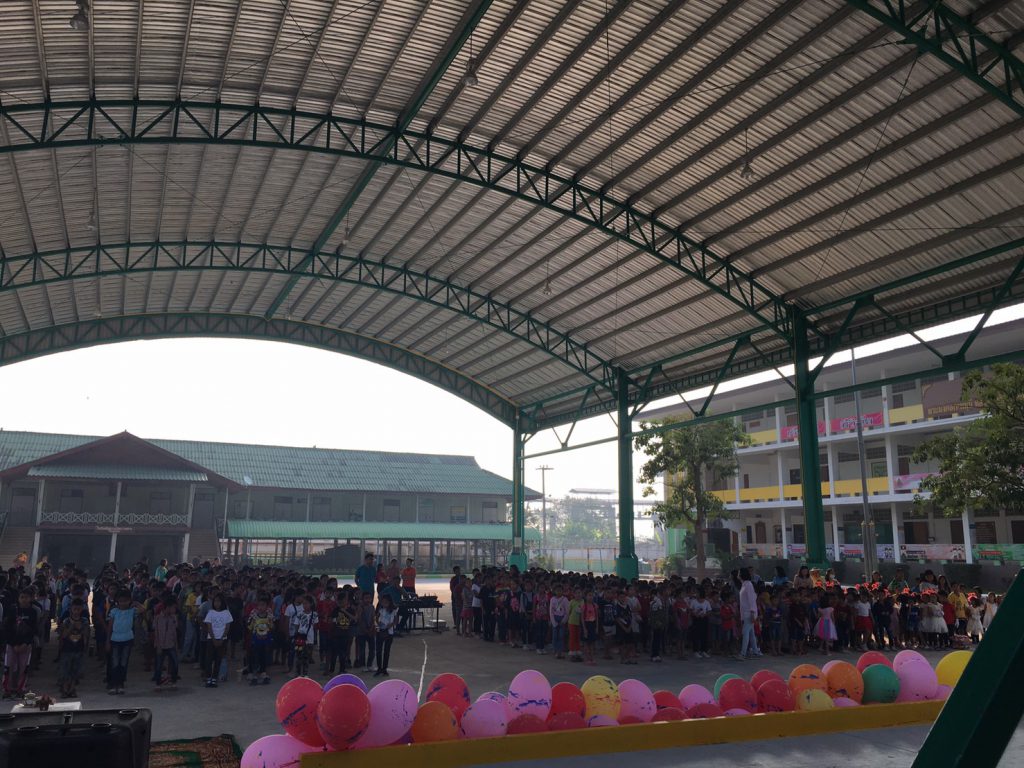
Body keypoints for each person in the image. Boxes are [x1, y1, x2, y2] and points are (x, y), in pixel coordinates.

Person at [3, 589, 36, 698]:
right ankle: (7, 689)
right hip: (12, 644)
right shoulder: (12, 610)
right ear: (18, 598)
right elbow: (7, 628)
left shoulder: (33, 612)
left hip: (26, 645)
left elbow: (33, 630)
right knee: (9, 667)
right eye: (22, 597)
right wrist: (13, 644)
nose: (24, 600)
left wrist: (26, 643)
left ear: (30, 598)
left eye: (26, 597)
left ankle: (20, 688)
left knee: (23, 667)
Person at [106, 590, 140, 695]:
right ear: (117, 601)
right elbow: (110, 627)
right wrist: (107, 641)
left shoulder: (132, 611)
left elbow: (143, 610)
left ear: (129, 600)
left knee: (123, 663)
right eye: (121, 601)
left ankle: (121, 684)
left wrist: (136, 603)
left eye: (125, 601)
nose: (123, 603)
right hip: (115, 639)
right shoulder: (114, 611)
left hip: (127, 640)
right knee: (115, 663)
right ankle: (113, 683)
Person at [57, 598, 89, 698]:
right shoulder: (66, 621)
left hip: (79, 649)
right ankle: (65, 689)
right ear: (71, 609)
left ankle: (72, 689)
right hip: (67, 649)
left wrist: (82, 629)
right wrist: (71, 627)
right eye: (75, 609)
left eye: (78, 609)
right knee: (65, 670)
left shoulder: (84, 621)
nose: (76, 612)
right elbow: (63, 635)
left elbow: (86, 635)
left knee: (76, 671)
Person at [203, 594, 233, 688]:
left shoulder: (226, 613)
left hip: (222, 639)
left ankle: (214, 678)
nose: (217, 603)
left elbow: (227, 627)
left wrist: (222, 638)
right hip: (211, 638)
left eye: (219, 601)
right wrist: (213, 638)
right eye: (215, 601)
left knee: (218, 659)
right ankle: (208, 677)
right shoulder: (210, 612)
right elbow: (209, 627)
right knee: (209, 659)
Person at [152, 595, 179, 689]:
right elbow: (156, 633)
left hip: (171, 644)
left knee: (175, 663)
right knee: (159, 665)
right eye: (174, 607)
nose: (175, 610)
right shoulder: (158, 618)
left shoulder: (174, 618)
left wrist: (176, 644)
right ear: (168, 607)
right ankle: (158, 683)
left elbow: (174, 632)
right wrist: (158, 645)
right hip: (161, 644)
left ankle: (173, 681)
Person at [247, 595, 274, 685]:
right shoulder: (254, 616)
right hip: (256, 639)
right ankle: (253, 673)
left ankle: (263, 671)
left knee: (264, 655)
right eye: (259, 605)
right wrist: (251, 638)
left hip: (265, 639)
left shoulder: (269, 616)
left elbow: (271, 627)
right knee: (255, 655)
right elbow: (250, 627)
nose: (261, 607)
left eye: (263, 605)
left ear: (267, 606)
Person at [289, 595, 318, 678]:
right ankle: (298, 673)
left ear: (311, 604)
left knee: (306, 657)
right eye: (304, 604)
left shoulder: (314, 614)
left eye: (307, 603)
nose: (305, 605)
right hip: (300, 638)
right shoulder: (300, 614)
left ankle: (305, 673)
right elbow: (296, 625)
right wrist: (297, 635)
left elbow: (315, 626)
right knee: (299, 656)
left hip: (309, 638)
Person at [738, 568, 761, 659]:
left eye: (739, 573)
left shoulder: (748, 584)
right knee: (751, 634)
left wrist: (752, 612)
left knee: (745, 633)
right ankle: (755, 651)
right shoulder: (744, 584)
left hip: (749, 612)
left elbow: (752, 599)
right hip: (746, 612)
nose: (738, 574)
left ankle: (743, 653)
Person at [373, 594, 398, 677]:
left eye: (386, 602)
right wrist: (378, 624)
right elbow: (376, 618)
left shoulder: (394, 610)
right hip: (380, 631)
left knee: (387, 651)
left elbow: (396, 620)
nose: (384, 604)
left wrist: (390, 625)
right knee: (379, 651)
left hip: (389, 632)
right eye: (383, 602)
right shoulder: (381, 609)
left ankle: (384, 668)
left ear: (390, 602)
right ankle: (379, 668)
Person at [449, 567, 463, 633]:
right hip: (455, 597)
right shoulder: (453, 579)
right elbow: (451, 588)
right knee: (455, 611)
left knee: (463, 610)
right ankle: (456, 624)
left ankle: (463, 624)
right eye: (457, 571)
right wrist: (455, 595)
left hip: (463, 597)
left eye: (459, 570)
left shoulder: (463, 577)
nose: (458, 572)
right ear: (454, 572)